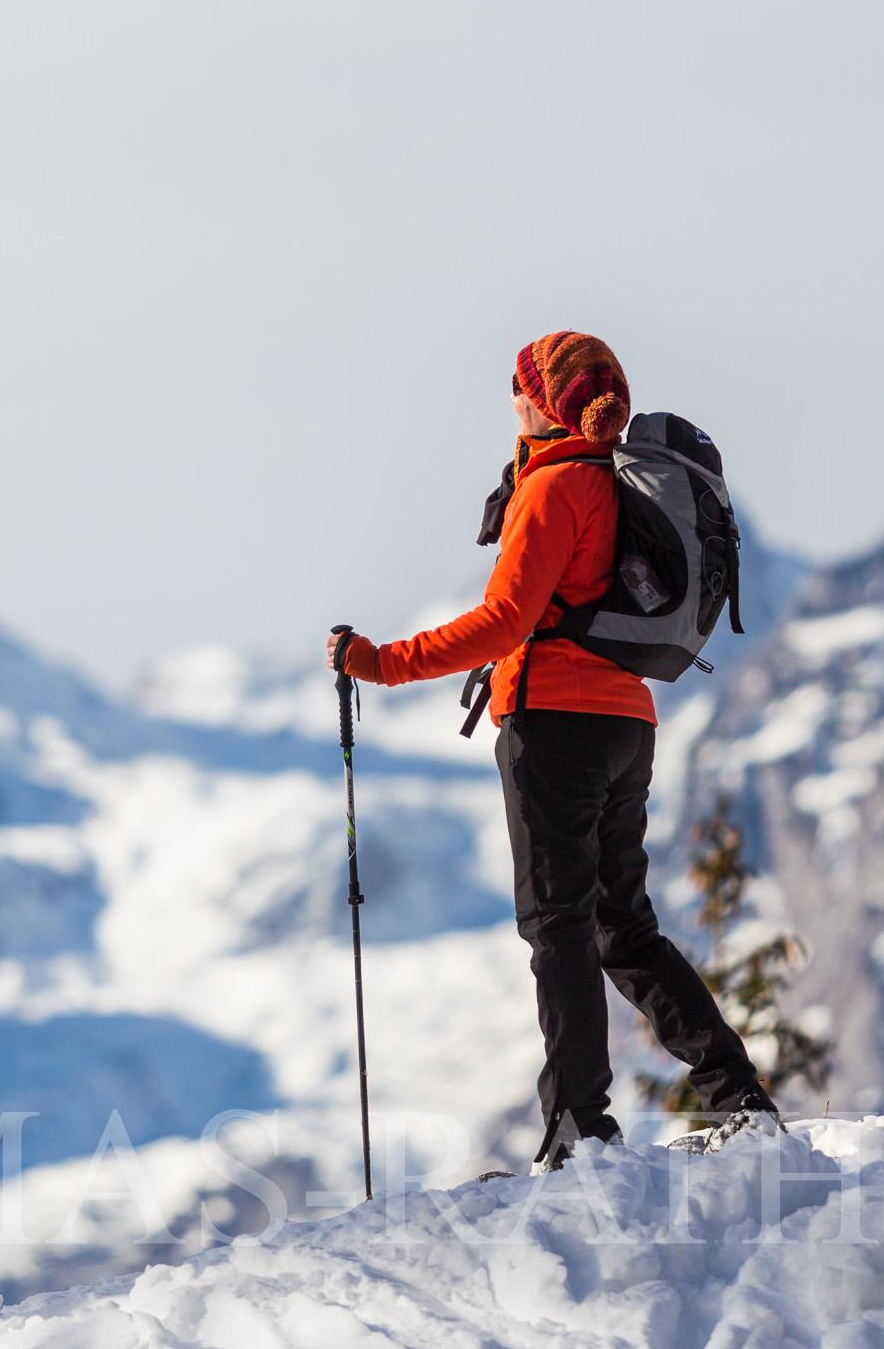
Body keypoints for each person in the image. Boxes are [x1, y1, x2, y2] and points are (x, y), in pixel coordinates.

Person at [327, 330, 777, 1171]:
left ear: (543, 401)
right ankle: (737, 1096)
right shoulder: (615, 481)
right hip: (627, 722)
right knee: (624, 928)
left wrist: (382, 662)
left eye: (519, 386)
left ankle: (578, 1127)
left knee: (558, 925)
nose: (511, 400)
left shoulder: (557, 486)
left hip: (556, 723)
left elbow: (505, 621)